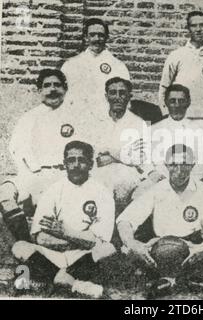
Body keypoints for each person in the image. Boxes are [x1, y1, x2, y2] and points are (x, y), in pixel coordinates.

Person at [116, 144, 203, 296]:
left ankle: (168, 280)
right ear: (166, 166)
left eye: (185, 164)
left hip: (193, 249)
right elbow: (126, 220)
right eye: (174, 165)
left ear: (192, 165)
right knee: (128, 247)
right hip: (161, 246)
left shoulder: (200, 189)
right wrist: (134, 244)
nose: (179, 170)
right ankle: (185, 280)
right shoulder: (158, 189)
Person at [11, 141, 116, 298]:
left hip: (83, 254)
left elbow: (98, 240)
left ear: (91, 164)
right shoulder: (53, 191)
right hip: (55, 253)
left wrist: (65, 232)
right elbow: (40, 237)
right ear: (64, 163)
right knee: (20, 247)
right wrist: (76, 238)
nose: (75, 165)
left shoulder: (102, 193)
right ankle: (73, 283)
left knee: (108, 249)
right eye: (71, 160)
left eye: (81, 160)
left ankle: (51, 278)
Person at [0, 69, 75, 241]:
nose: (52, 89)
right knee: (4, 193)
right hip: (34, 174)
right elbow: (18, 150)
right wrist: (33, 174)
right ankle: (23, 240)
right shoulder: (29, 118)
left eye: (57, 85)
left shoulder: (76, 116)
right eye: (47, 86)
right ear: (39, 91)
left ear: (65, 89)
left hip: (65, 175)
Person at [90, 77, 152, 210]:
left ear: (129, 96)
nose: (117, 97)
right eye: (113, 93)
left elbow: (139, 157)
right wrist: (124, 154)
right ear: (106, 97)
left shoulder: (138, 123)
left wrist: (111, 154)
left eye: (122, 93)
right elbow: (92, 154)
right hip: (99, 172)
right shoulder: (95, 122)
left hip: (126, 175)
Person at [159, 11, 203, 121]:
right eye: (193, 25)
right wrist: (166, 113)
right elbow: (164, 87)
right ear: (188, 28)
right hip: (182, 118)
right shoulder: (176, 56)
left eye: (202, 25)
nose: (198, 29)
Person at [61, 18, 130, 119]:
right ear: (85, 37)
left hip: (106, 119)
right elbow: (63, 96)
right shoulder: (71, 65)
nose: (97, 39)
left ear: (107, 37)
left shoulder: (118, 66)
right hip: (78, 118)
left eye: (101, 35)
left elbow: (125, 99)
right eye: (92, 35)